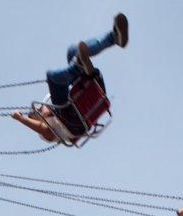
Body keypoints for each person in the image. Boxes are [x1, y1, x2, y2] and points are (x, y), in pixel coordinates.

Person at [11, 13, 128, 144]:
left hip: (89, 95)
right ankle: (77, 67)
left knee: (73, 51)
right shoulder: (52, 130)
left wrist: (62, 78)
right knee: (51, 75)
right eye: (37, 111)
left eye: (38, 107)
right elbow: (45, 130)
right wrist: (22, 119)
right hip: (73, 120)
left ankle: (113, 37)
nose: (41, 108)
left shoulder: (63, 105)